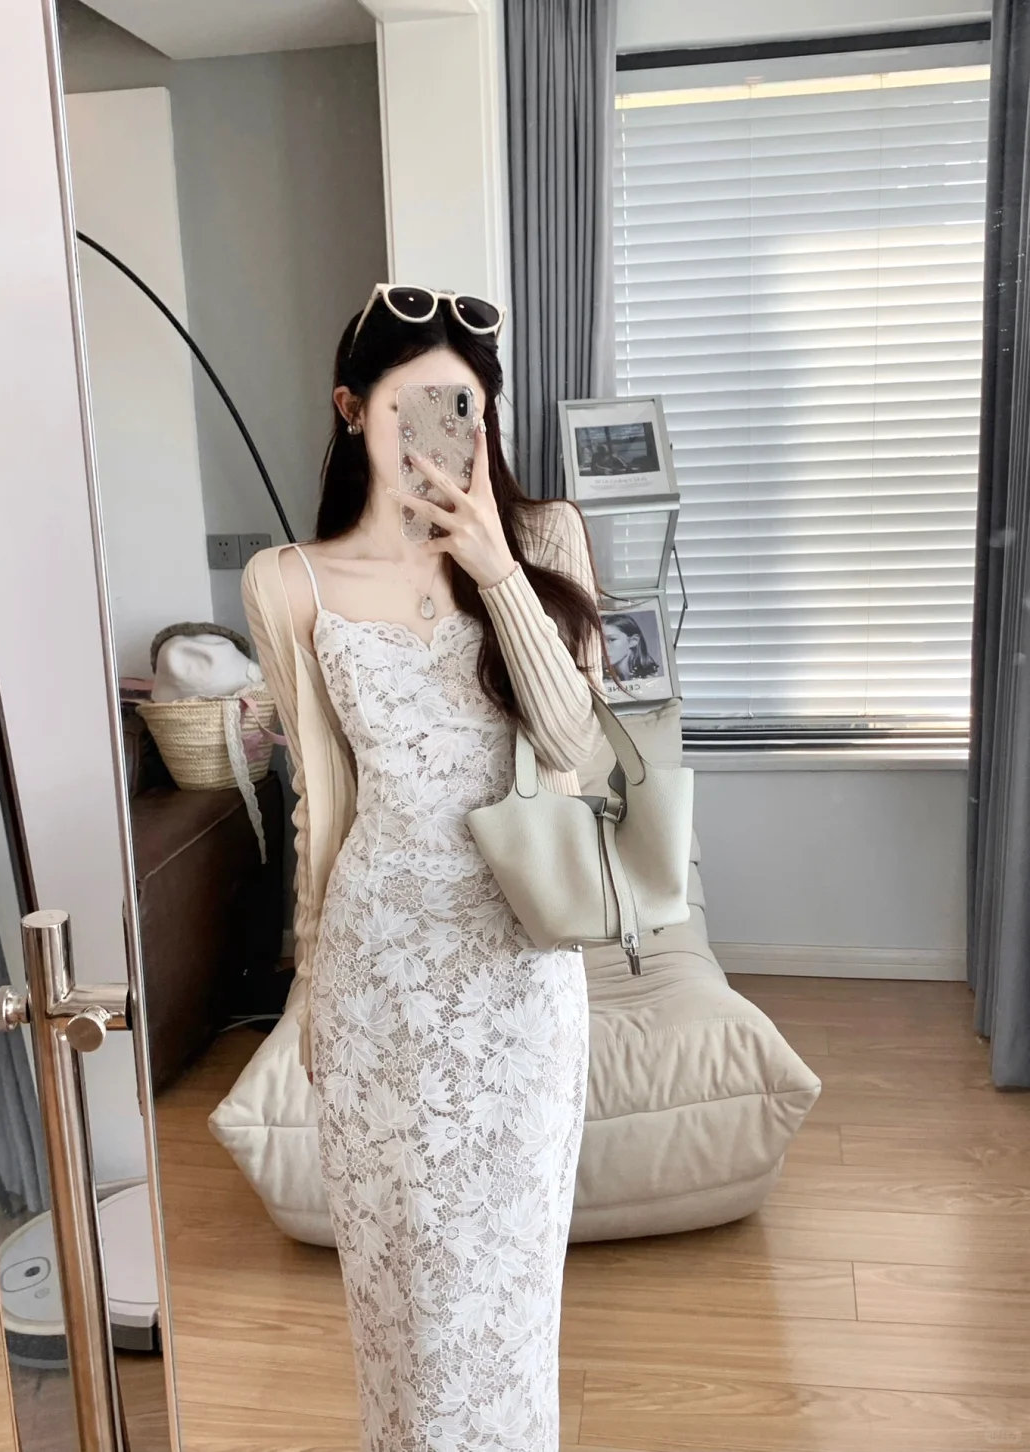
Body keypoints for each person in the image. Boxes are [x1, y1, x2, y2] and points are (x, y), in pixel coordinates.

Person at [242, 286, 606, 1452]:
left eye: (466, 410)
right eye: (412, 410)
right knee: (403, 1308)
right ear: (351, 409)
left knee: (505, 1307)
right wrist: (309, 990)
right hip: (377, 980)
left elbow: (579, 743)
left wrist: (496, 569)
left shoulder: (545, 540)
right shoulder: (287, 580)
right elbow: (322, 805)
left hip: (517, 976)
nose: (442, 439)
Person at [601, 612, 662, 682]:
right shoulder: (602, 680)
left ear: (633, 641)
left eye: (611, 640)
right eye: (598, 641)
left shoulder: (652, 680)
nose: (602, 647)